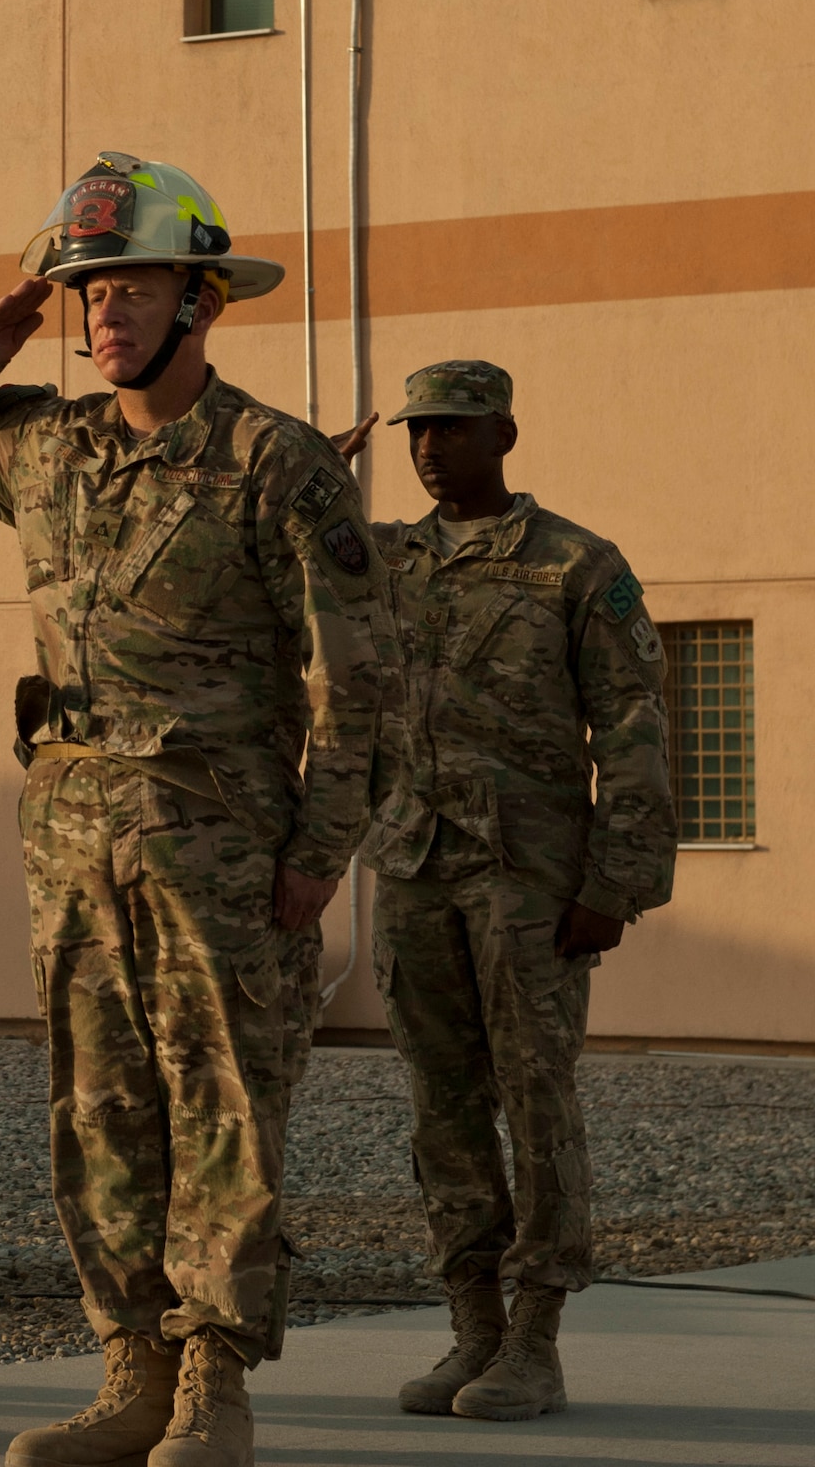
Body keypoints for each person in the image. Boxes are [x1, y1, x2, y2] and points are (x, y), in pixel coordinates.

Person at [0, 154, 394, 1467]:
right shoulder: (48, 448)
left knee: (224, 1109)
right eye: (87, 288)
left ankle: (216, 1381)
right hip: (70, 850)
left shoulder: (274, 463)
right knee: (98, 1109)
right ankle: (131, 1376)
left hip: (220, 851)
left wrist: (318, 854)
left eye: (133, 284)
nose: (102, 311)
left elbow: (357, 676)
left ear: (200, 299)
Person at [359, 361, 676, 1422]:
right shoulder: (388, 563)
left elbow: (631, 731)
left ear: (502, 432)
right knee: (439, 1109)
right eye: (415, 431)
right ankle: (472, 1331)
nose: (426, 448)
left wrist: (614, 882)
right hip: (412, 866)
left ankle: (535, 1341)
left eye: (449, 429)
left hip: (529, 879)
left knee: (536, 1103)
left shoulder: (576, 566)